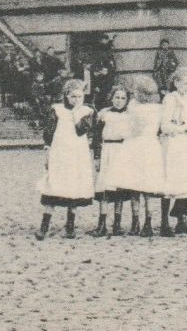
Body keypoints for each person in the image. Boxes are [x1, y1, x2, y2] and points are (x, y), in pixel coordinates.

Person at [35, 79, 95, 240]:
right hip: (60, 153)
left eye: (80, 97)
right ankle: (44, 225)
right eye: (73, 96)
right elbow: (49, 132)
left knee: (74, 186)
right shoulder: (57, 110)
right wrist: (47, 151)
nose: (76, 100)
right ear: (66, 96)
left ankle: (70, 225)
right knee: (54, 184)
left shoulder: (87, 112)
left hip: (77, 154)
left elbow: (82, 130)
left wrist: (76, 114)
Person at [116, 75, 166, 237]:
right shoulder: (158, 108)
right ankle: (148, 223)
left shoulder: (133, 107)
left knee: (135, 188)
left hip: (135, 146)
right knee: (148, 188)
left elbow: (132, 129)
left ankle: (135, 222)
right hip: (151, 146)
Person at [160, 69, 187, 236]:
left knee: (185, 181)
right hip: (173, 143)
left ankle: (181, 221)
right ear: (176, 82)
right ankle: (164, 223)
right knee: (170, 182)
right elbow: (165, 126)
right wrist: (184, 127)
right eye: (185, 83)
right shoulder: (170, 99)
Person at [90, 86, 134, 237]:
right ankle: (101, 224)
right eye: (117, 97)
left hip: (122, 152)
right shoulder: (104, 114)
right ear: (111, 98)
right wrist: (97, 157)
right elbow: (96, 137)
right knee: (105, 187)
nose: (119, 101)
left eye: (123, 98)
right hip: (107, 150)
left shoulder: (130, 115)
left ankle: (117, 224)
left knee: (119, 188)